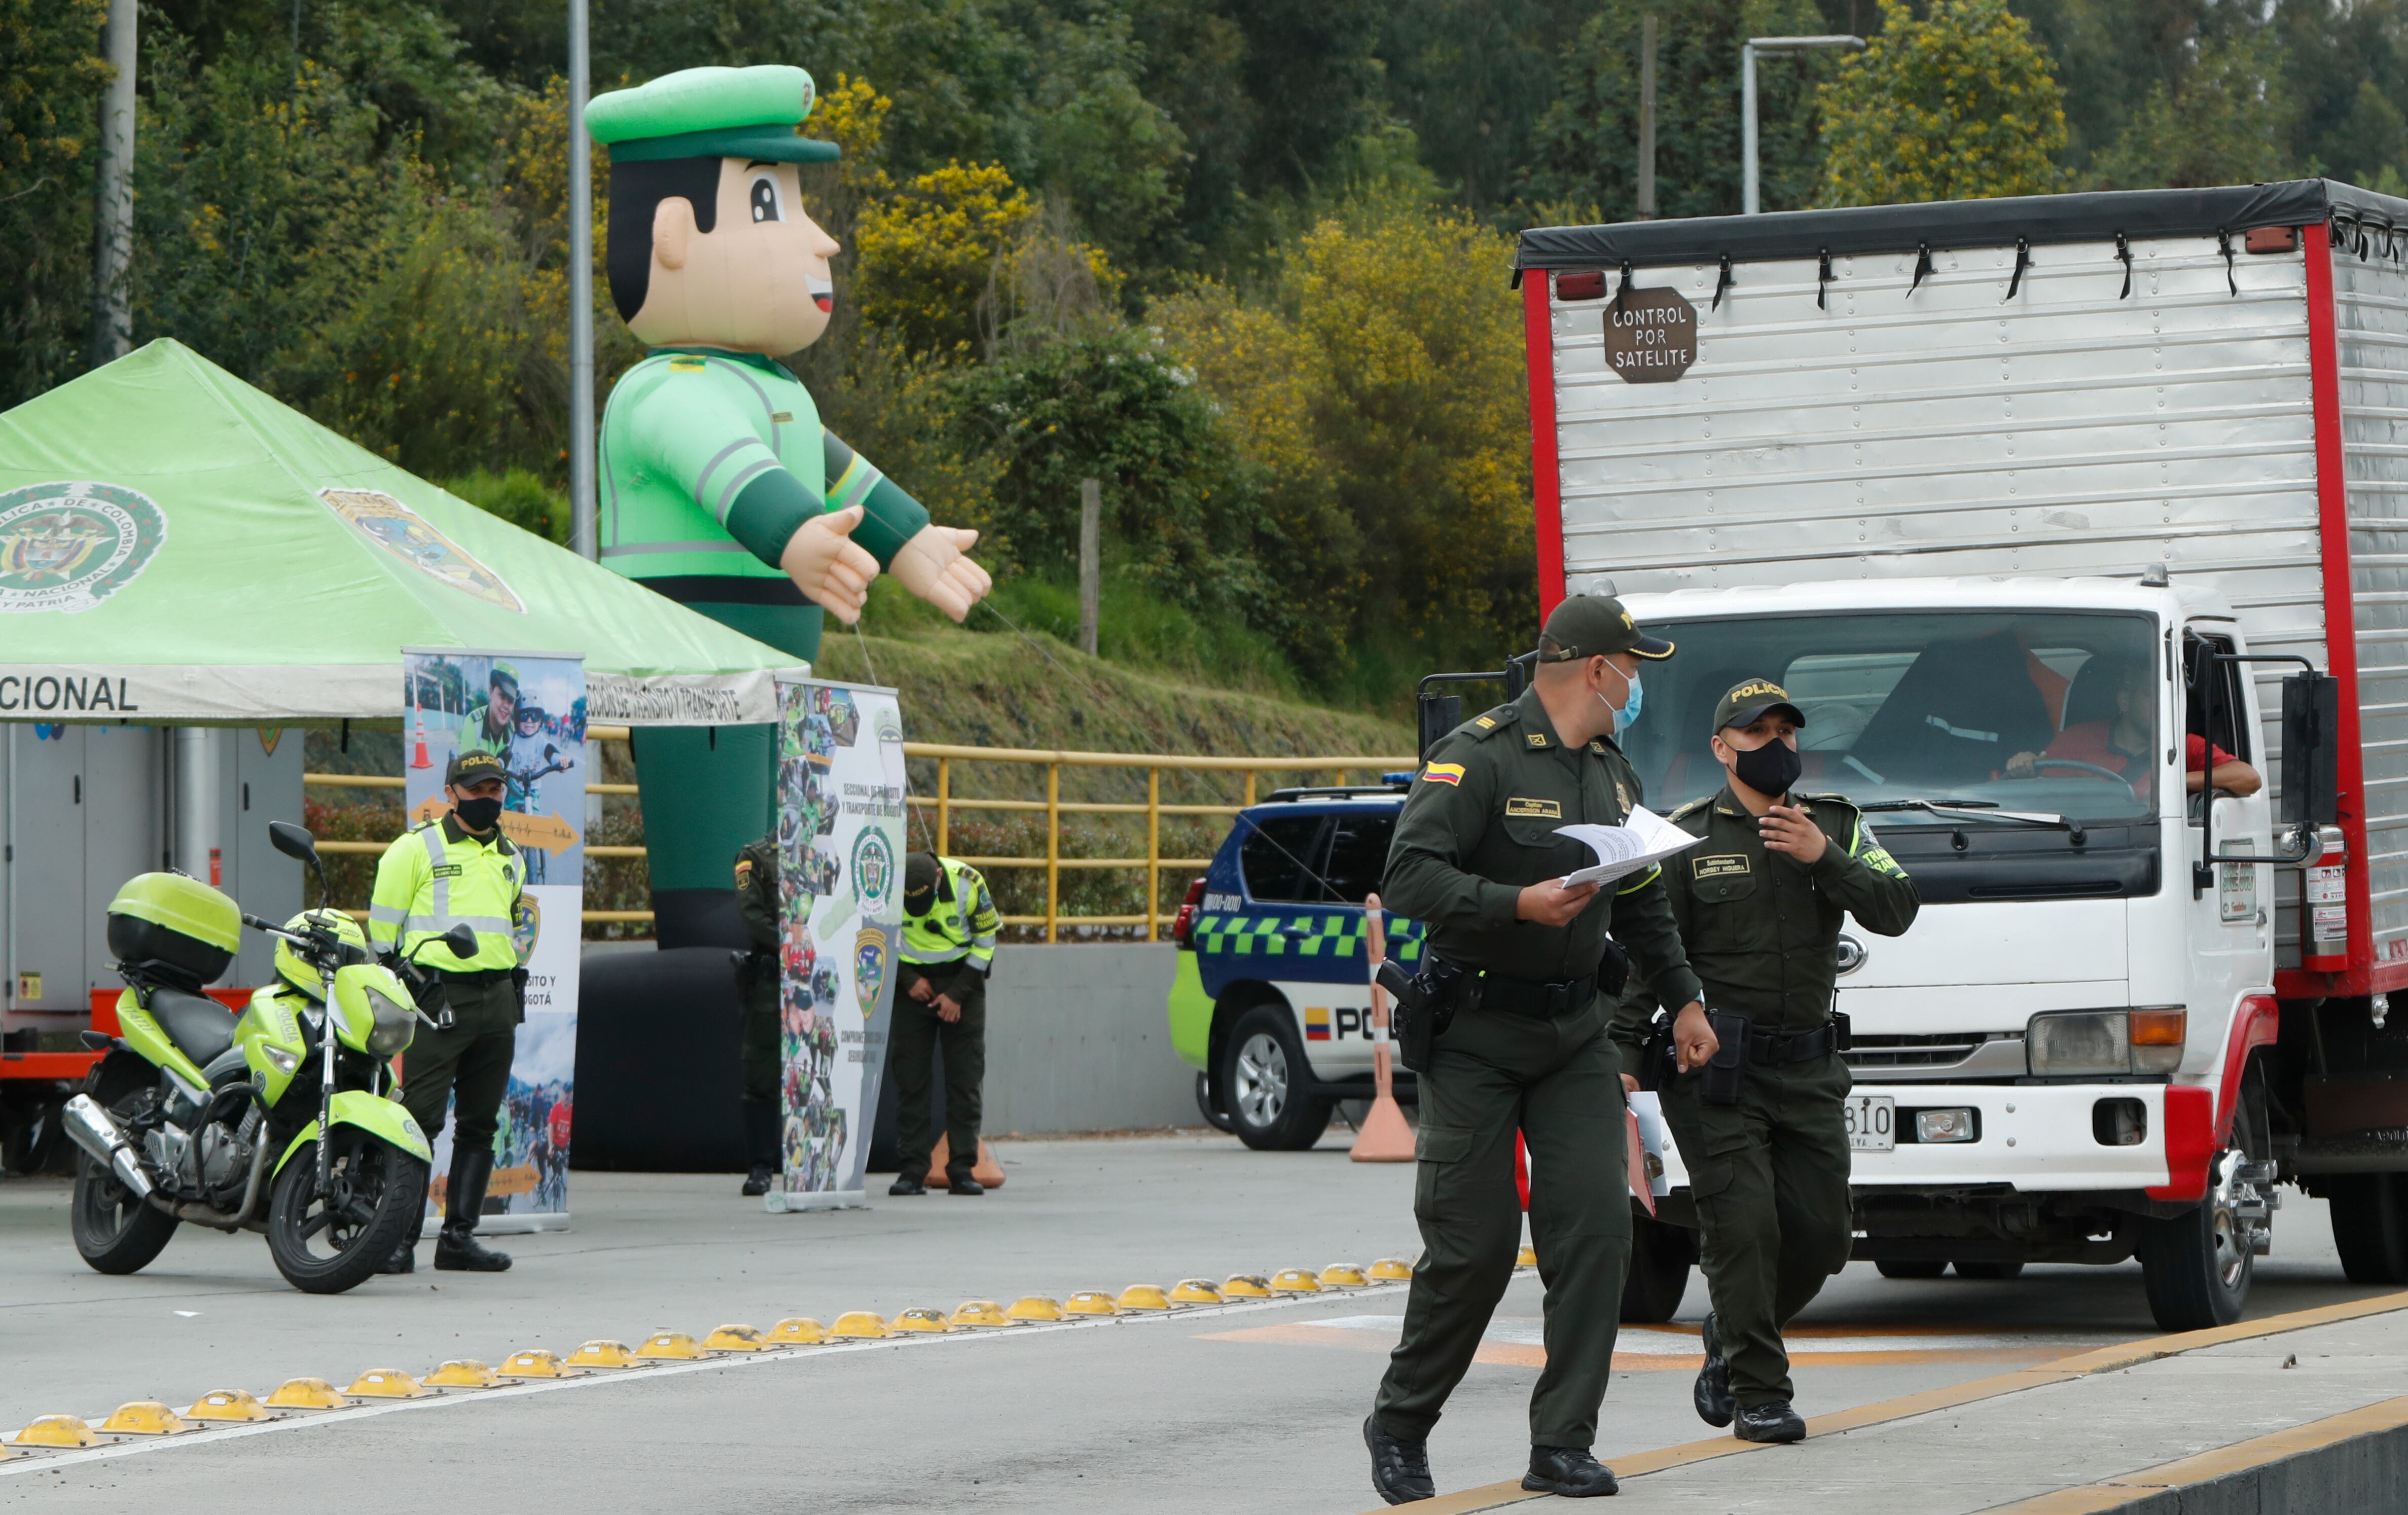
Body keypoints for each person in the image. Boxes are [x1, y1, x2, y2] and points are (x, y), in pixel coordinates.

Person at [584, 64, 991, 952]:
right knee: (716, 875)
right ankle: (710, 978)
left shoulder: (776, 392)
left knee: (777, 862)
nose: (822, 241)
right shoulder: (661, 391)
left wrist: (912, 537)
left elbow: (835, 473)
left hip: (779, 671)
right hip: (693, 677)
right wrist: (795, 536)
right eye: (771, 205)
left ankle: (771, 990)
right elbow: (730, 475)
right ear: (674, 233)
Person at [1366, 594, 1709, 1505]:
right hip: (1474, 1034)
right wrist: (1511, 903)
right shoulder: (1475, 754)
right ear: (1596, 670)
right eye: (1632, 669)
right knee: (1472, 1248)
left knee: (1596, 1233)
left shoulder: (1611, 771)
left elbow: (1637, 900)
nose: (1636, 686)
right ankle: (1400, 1420)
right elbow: (1406, 876)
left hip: (1572, 1037)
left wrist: (1682, 998)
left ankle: (1562, 1442)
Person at [1611, 678, 1919, 1445]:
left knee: (1821, 1238)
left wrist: (1825, 861)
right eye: (1756, 735)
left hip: (1810, 1068)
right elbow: (1650, 954)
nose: (1776, 748)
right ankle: (1760, 1391)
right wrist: (1620, 1055)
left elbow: (1899, 907)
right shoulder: (1681, 839)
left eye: (1786, 732)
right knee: (1743, 1228)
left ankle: (1732, 1331)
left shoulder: (1836, 825)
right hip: (1718, 1072)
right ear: (1721, 749)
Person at [369, 749, 530, 1274]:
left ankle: (458, 1238)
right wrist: (413, 991)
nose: (488, 798)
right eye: (477, 789)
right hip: (438, 1000)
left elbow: (507, 924)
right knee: (418, 1123)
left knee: (481, 1125)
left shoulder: (511, 855)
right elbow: (383, 939)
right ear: (452, 792)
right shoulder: (415, 849)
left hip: (497, 1000)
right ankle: (398, 1240)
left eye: (495, 789)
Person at [888, 852, 1000, 1198]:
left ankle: (962, 1168)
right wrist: (907, 979)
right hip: (911, 986)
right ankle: (912, 1170)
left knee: (965, 1078)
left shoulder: (969, 882)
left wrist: (956, 995)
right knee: (911, 1079)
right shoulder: (885, 885)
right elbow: (875, 937)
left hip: (962, 981)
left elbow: (985, 945)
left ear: (938, 876)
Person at [2003, 658, 2262, 799]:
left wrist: (2174, 783)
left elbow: (2249, 779)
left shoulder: (2185, 745)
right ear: (2125, 701)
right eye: (2152, 695)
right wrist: (2024, 767)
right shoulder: (2076, 740)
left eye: (2168, 697)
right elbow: (2041, 796)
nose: (2162, 705)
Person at [732, 830, 783, 1196]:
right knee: (762, 1073)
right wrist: (795, 945)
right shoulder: (757, 855)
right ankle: (762, 1166)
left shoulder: (826, 851)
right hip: (774, 977)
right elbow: (753, 918)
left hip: (821, 978)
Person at [457, 662, 519, 762]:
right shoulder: (474, 723)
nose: (506, 706)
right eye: (502, 696)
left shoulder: (513, 731)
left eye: (511, 700)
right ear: (491, 692)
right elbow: (464, 771)